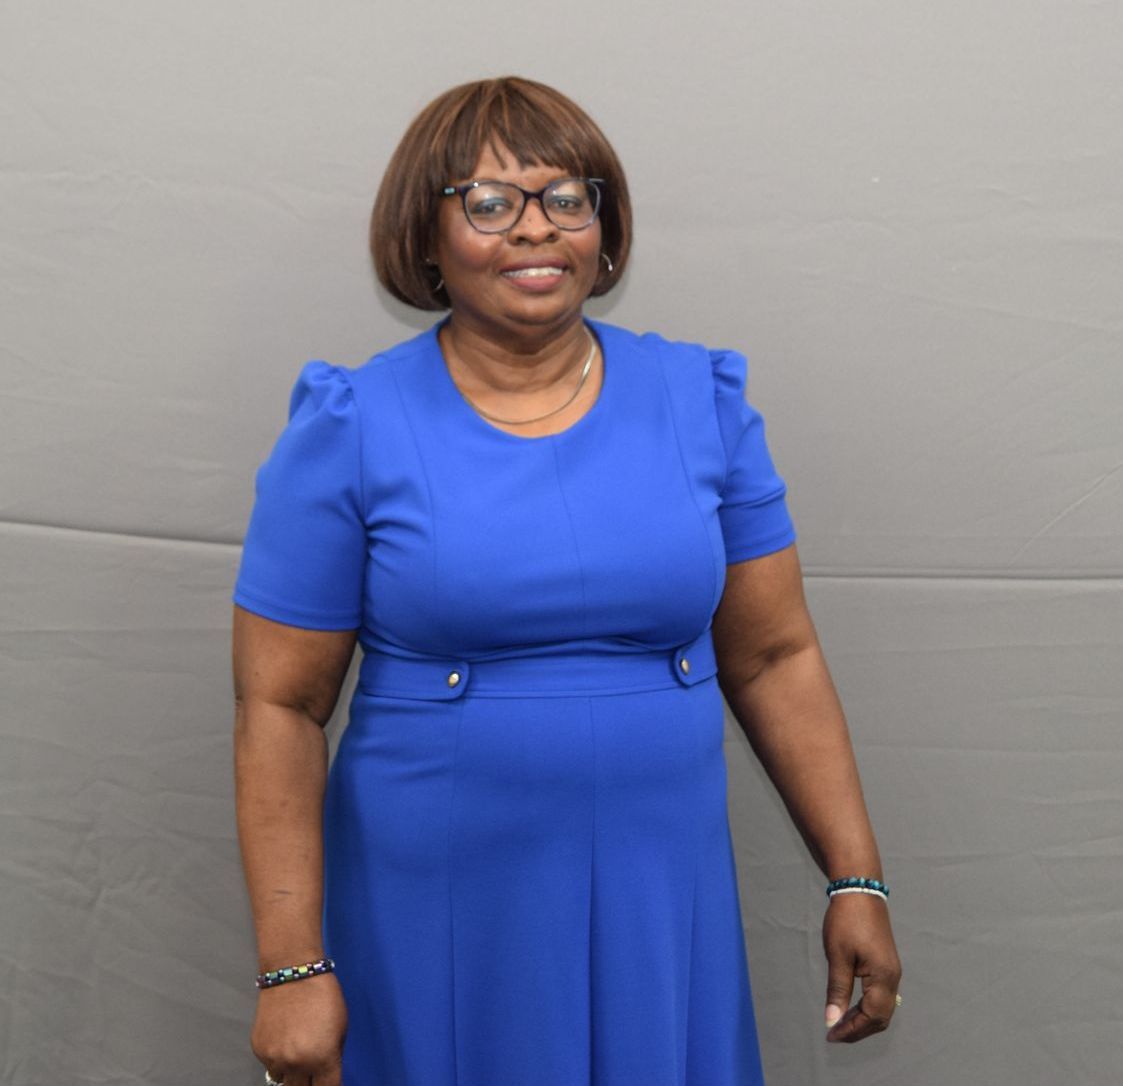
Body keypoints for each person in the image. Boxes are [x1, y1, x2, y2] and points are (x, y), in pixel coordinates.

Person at [232, 76, 901, 1086]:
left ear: (604, 226)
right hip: (435, 899)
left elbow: (773, 656)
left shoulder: (700, 400)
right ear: (426, 234)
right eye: (489, 202)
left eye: (565, 197)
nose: (535, 228)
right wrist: (291, 965)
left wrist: (856, 877)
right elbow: (279, 705)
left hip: (659, 892)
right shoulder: (351, 424)